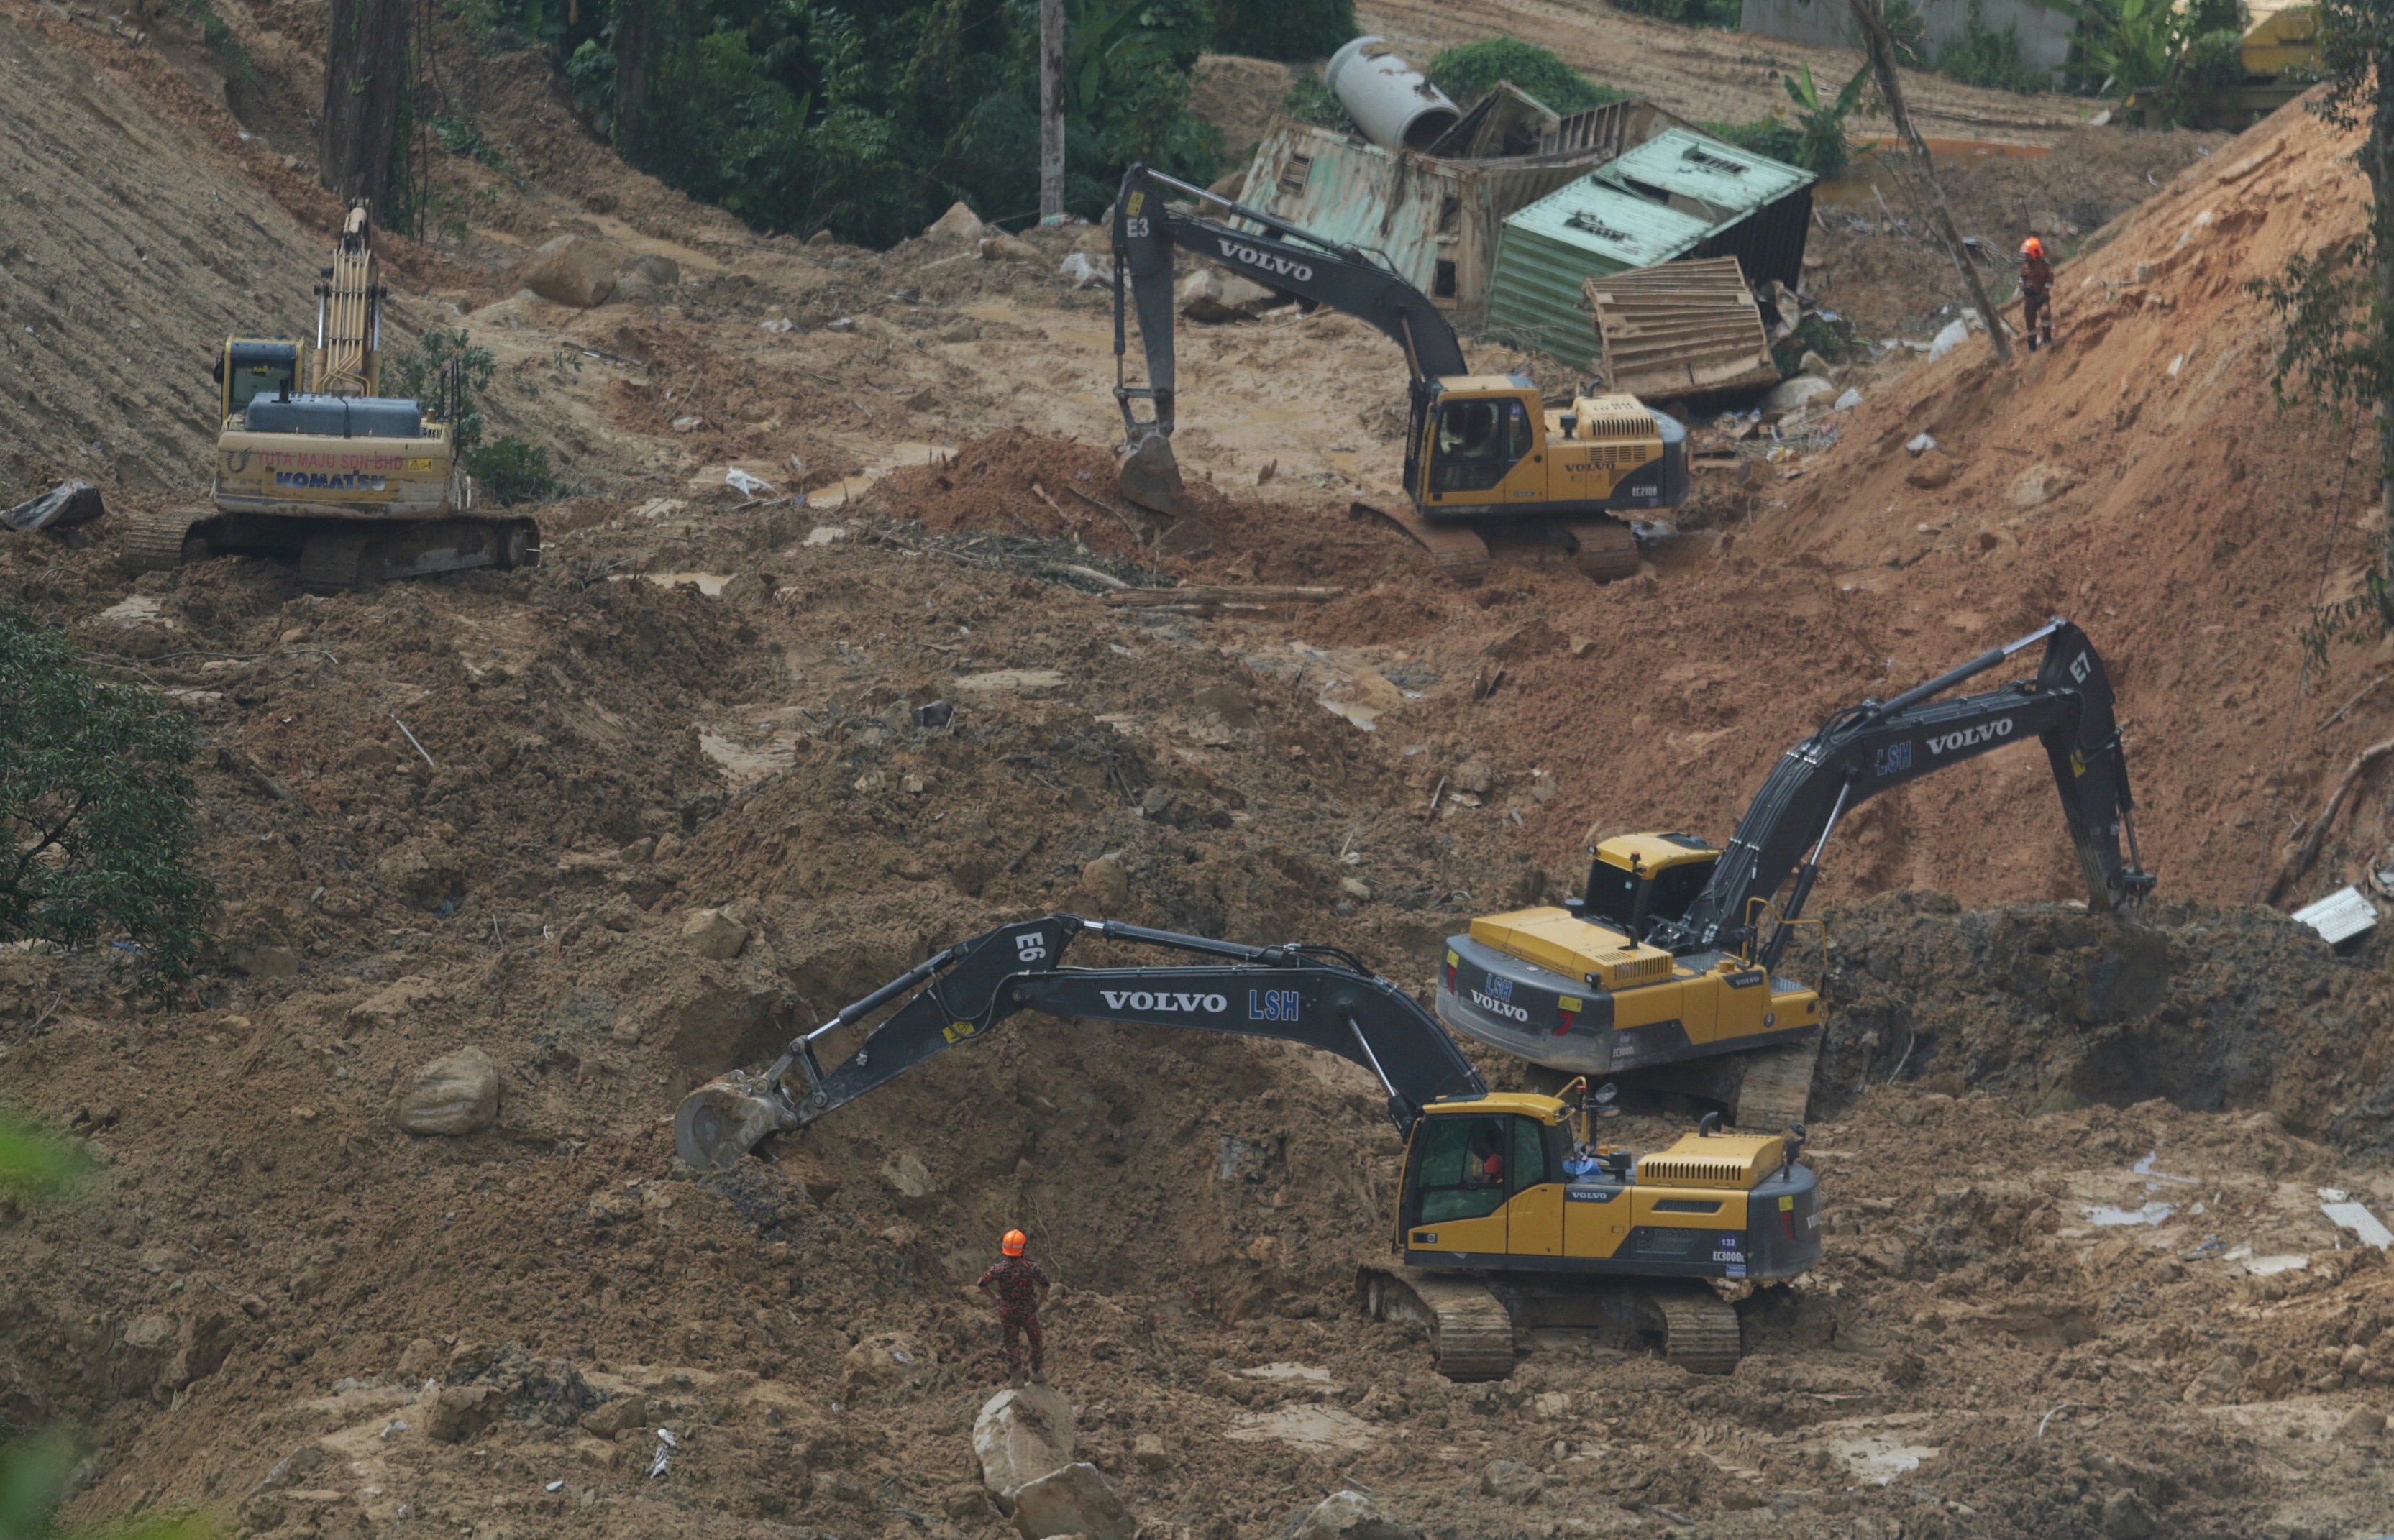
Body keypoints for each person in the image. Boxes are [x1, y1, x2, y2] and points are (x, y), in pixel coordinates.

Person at [977, 1228, 1051, 1383]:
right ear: (1023, 1247)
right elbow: (1045, 1284)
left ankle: (1016, 1377)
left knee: (1012, 1343)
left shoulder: (999, 1268)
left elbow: (982, 1283)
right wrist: (1039, 1303)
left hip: (1008, 1311)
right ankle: (1037, 1371)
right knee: (1035, 1340)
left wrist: (996, 1299)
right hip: (1028, 1311)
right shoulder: (1030, 1267)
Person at [2019, 237, 2055, 352]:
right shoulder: (2025, 267)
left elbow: (2049, 281)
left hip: (2042, 297)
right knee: (2030, 322)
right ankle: (2032, 346)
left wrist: (2044, 293)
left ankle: (2047, 339)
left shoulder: (2045, 266)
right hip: (2030, 299)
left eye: (2027, 254)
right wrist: (2023, 285)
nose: (2025, 257)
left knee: (2045, 313)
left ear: (2034, 254)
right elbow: (2021, 279)